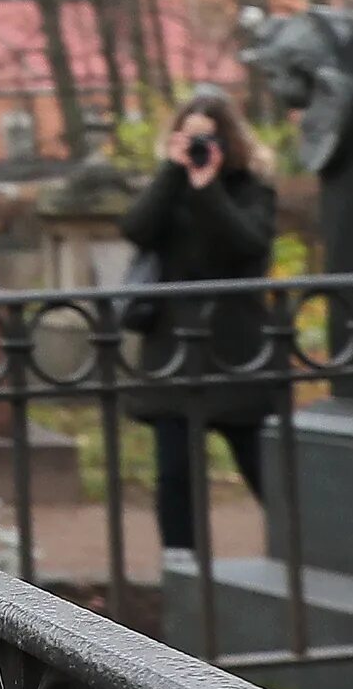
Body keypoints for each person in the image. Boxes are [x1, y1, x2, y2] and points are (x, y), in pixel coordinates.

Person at [119, 92, 281, 553]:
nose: (197, 146)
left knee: (261, 467)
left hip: (236, 347)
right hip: (173, 348)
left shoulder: (252, 187)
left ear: (228, 140)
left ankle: (301, 561)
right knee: (175, 476)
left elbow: (247, 244)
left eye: (207, 137)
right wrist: (173, 173)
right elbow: (135, 229)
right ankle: (183, 570)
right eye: (189, 136)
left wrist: (208, 188)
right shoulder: (168, 187)